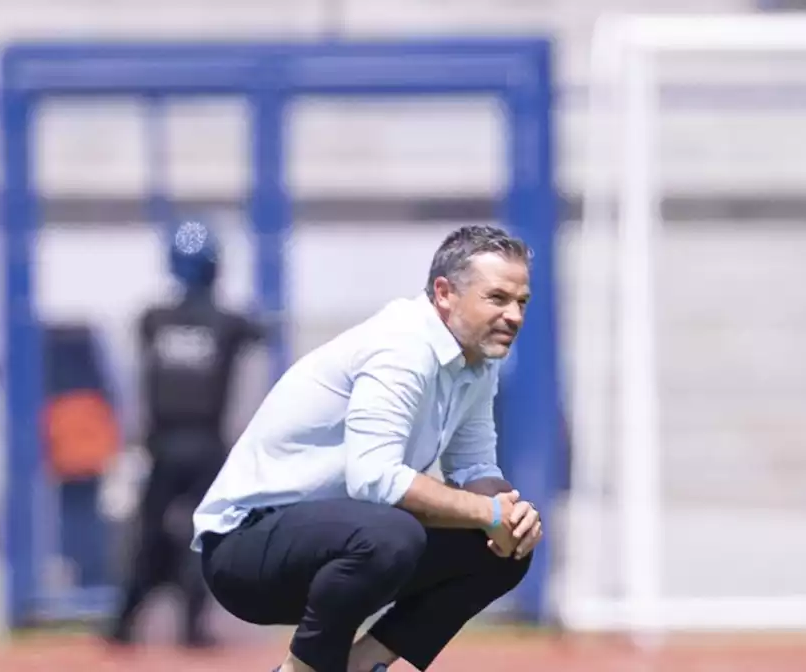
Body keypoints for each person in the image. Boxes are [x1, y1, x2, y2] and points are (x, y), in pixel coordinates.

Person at [192, 224, 544, 672]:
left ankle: (361, 666)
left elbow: (474, 465)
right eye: (497, 298)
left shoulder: (476, 359)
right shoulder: (402, 346)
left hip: (340, 546)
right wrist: (487, 513)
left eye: (522, 302)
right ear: (444, 293)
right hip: (245, 551)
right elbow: (373, 478)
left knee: (505, 551)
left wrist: (509, 515)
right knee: (393, 533)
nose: (514, 315)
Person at [105, 219, 264, 648]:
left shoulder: (155, 320)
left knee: (151, 532)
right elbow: (254, 380)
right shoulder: (231, 324)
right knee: (202, 534)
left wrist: (131, 438)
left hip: (163, 445)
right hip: (206, 445)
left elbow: (135, 383)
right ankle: (188, 626)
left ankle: (124, 623)